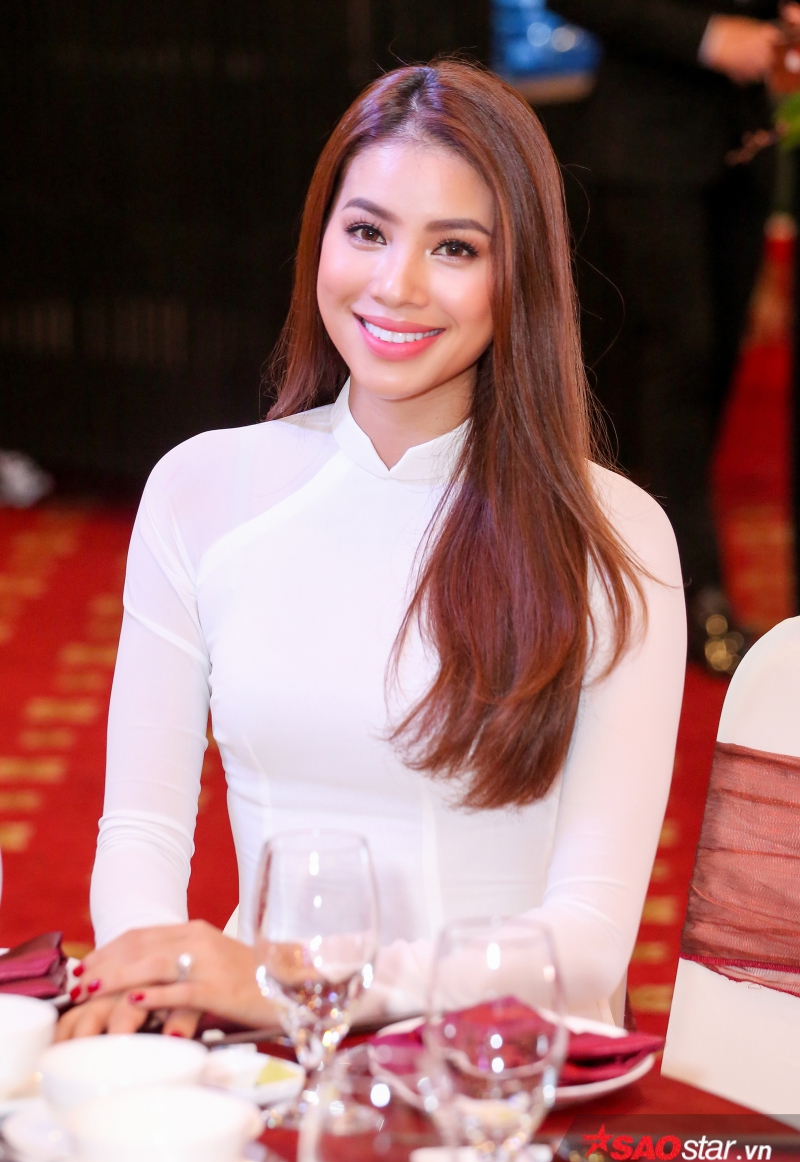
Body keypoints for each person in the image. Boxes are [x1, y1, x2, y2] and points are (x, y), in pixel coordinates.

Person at [58, 60, 686, 1041]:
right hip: (261, 1048)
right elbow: (141, 830)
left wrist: (299, 981)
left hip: (496, 1068)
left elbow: (591, 943)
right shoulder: (201, 490)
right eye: (366, 232)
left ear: (519, 275)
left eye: (454, 247)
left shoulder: (615, 538)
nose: (396, 285)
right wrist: (154, 977)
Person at [543, 1, 796, 669]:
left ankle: (661, 576)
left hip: (745, 144)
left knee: (713, 367)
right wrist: (709, 37)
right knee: (675, 364)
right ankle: (688, 593)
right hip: (648, 149)